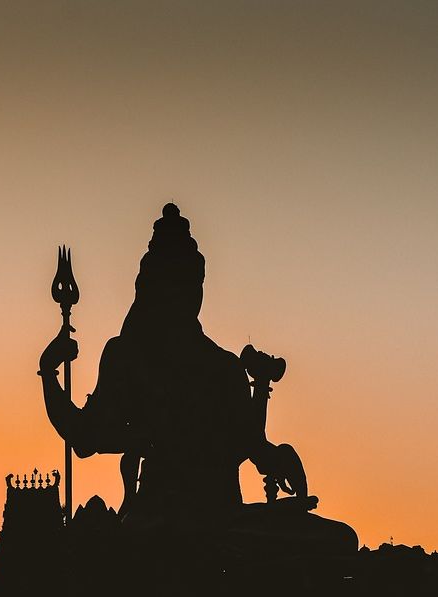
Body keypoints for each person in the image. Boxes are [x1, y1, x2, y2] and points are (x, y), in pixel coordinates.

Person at [39, 203, 356, 555]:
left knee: (339, 538)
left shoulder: (223, 367)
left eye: (194, 283)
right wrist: (49, 373)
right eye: (179, 283)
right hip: (164, 523)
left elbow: (247, 445)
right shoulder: (128, 356)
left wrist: (277, 455)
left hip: (226, 521)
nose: (190, 293)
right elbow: (86, 437)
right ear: (154, 287)